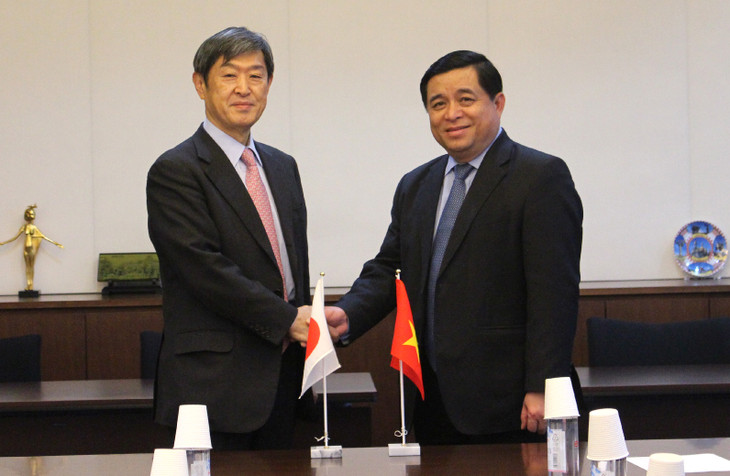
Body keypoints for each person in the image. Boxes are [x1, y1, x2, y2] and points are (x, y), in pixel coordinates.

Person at [326, 50, 583, 445]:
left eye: (466, 99)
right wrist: (348, 314)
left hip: (514, 403)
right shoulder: (416, 185)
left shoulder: (540, 177)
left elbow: (555, 294)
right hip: (432, 399)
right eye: (438, 104)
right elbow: (391, 266)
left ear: (497, 103)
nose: (452, 114)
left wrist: (543, 386)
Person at [146, 27, 312, 450]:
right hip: (213, 385)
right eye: (229, 75)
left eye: (256, 76)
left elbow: (290, 270)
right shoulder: (176, 170)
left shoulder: (282, 167)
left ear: (269, 84)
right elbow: (204, 270)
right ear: (200, 84)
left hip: (285, 380)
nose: (244, 88)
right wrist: (286, 320)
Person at [0, 204, 63, 291]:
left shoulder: (34, 228)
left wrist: (55, 243)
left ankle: (31, 285)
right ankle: (28, 284)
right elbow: (15, 237)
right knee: (27, 267)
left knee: (31, 266)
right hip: (26, 249)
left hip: (31, 249)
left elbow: (43, 236)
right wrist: (3, 243)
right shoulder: (24, 227)